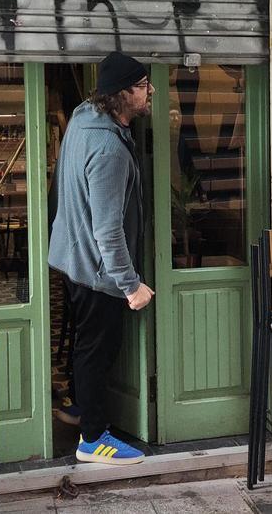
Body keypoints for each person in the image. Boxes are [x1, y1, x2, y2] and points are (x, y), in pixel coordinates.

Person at [48, 51, 155, 465]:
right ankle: (93, 438)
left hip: (72, 259)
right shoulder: (109, 151)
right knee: (98, 350)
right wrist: (131, 286)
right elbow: (107, 230)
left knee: (84, 344)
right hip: (96, 270)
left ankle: (80, 407)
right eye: (144, 86)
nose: (150, 93)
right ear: (123, 93)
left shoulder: (82, 117)